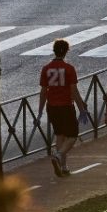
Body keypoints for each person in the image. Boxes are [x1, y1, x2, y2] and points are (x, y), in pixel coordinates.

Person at [37, 39, 88, 177]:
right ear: (66, 51)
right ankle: (58, 156)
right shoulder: (69, 69)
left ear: (54, 50)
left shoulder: (46, 68)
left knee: (60, 135)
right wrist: (81, 108)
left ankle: (63, 166)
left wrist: (40, 110)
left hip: (52, 107)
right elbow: (74, 91)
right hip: (66, 106)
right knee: (72, 135)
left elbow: (43, 92)